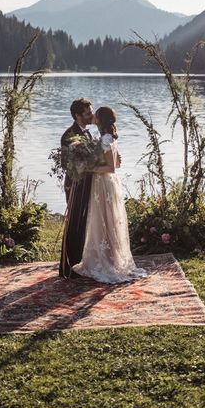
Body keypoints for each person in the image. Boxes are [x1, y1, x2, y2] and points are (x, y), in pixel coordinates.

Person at [72, 106, 148, 283]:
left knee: (105, 220)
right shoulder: (109, 138)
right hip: (106, 184)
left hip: (104, 184)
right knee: (107, 220)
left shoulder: (105, 139)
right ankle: (110, 257)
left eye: (96, 116)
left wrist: (89, 168)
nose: (94, 118)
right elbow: (118, 163)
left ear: (101, 120)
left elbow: (111, 168)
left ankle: (106, 262)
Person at [58, 98, 95, 278]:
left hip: (88, 183)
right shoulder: (68, 135)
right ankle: (67, 267)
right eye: (88, 113)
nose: (91, 115)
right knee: (74, 223)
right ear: (77, 116)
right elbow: (66, 164)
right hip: (75, 184)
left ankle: (81, 264)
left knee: (85, 222)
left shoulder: (87, 134)